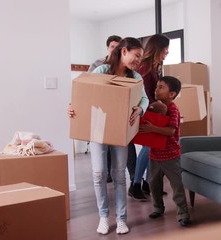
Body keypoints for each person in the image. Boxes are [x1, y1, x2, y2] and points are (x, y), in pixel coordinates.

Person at [69, 37, 149, 235]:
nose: (138, 60)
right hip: (98, 129)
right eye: (136, 55)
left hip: (120, 129)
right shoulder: (102, 71)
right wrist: (73, 107)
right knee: (98, 174)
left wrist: (140, 109)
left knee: (119, 176)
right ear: (124, 51)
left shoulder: (136, 77)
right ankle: (104, 216)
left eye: (140, 57)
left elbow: (144, 98)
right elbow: (85, 93)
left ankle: (121, 219)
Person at [139, 76, 192, 227]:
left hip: (170, 156)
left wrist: (152, 128)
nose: (156, 90)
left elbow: (170, 131)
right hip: (155, 155)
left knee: (177, 186)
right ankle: (158, 208)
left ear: (172, 94)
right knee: (153, 184)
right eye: (156, 87)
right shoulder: (154, 107)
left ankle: (183, 213)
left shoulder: (173, 109)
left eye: (161, 87)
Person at [129, 34, 170, 201]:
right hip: (144, 110)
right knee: (148, 148)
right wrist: (157, 105)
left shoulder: (154, 66)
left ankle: (145, 182)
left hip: (150, 110)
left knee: (150, 148)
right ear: (157, 48)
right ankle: (136, 184)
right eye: (165, 49)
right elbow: (143, 94)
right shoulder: (145, 68)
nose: (167, 52)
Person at [88, 35, 122, 183]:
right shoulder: (98, 65)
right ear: (108, 47)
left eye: (118, 47)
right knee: (103, 145)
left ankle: (131, 177)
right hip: (100, 109)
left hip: (117, 110)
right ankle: (106, 173)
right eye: (112, 46)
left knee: (121, 145)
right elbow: (88, 84)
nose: (115, 49)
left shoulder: (123, 66)